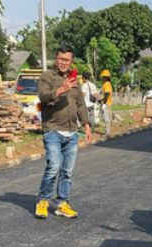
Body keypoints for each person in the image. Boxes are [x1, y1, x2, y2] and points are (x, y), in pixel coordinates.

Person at [34, 45, 92, 220]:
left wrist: (86, 124)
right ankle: (43, 201)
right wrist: (61, 89)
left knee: (67, 171)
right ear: (56, 58)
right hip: (52, 129)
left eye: (67, 60)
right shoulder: (47, 76)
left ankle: (62, 204)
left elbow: (80, 104)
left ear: (71, 61)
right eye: (61, 59)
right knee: (53, 167)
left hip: (72, 132)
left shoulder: (74, 80)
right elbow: (43, 97)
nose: (64, 63)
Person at [99, 70, 113, 135]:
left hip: (106, 103)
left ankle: (107, 132)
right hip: (105, 102)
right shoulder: (105, 84)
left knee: (106, 118)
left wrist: (104, 104)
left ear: (105, 77)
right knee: (105, 117)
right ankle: (106, 131)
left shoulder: (107, 84)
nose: (102, 78)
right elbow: (104, 94)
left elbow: (107, 94)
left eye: (103, 77)